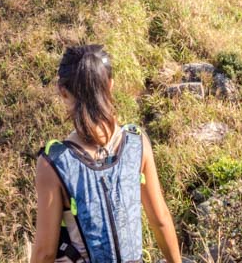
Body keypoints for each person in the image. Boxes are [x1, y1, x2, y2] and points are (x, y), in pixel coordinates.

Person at [30, 44, 183, 263]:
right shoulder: (136, 142)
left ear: (63, 92)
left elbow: (45, 252)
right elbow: (160, 220)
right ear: (110, 85)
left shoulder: (55, 163)